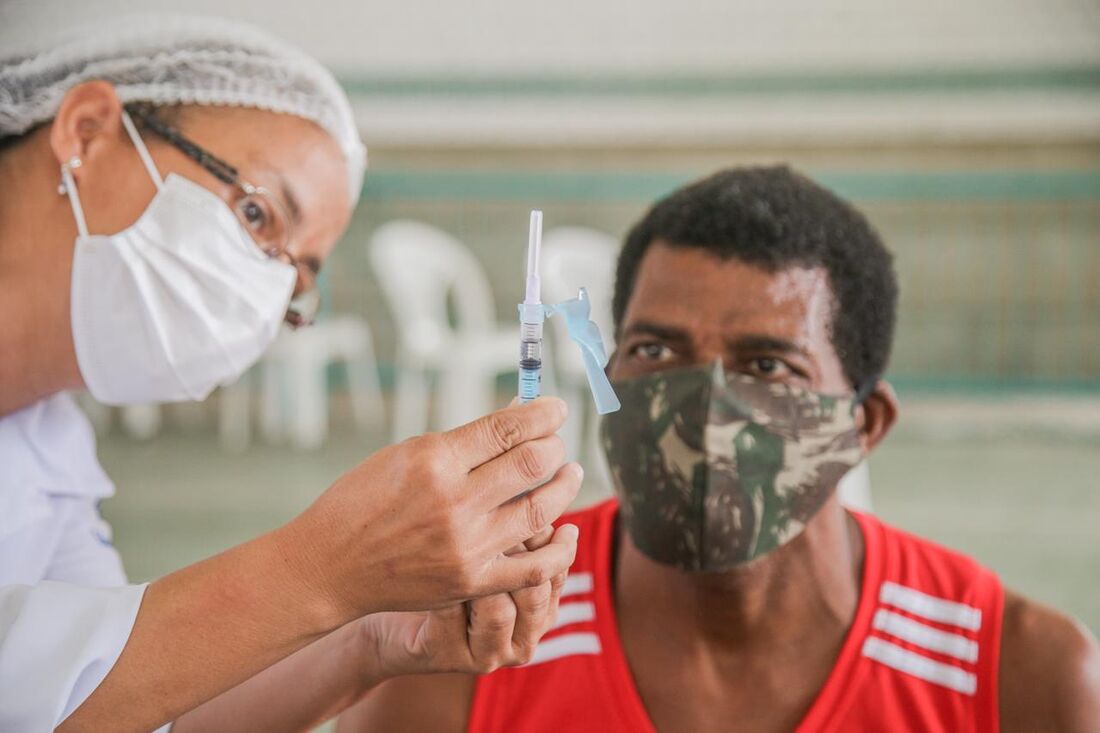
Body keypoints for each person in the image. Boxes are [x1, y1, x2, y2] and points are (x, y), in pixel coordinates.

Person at [341, 166, 1100, 732]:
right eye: (655, 350)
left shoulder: (1013, 676)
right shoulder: (468, 652)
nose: (702, 407)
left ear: (862, 423)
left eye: (768, 365)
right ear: (608, 385)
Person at [0, 15, 582, 732]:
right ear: (86, 131)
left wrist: (373, 638)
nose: (262, 295)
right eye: (257, 214)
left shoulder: (46, 450)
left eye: (295, 283)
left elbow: (110, 700)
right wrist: (328, 565)